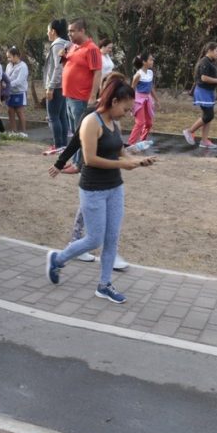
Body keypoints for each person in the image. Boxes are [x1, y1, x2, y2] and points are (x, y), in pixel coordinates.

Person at [45, 76, 155, 304]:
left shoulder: (115, 123)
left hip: (115, 187)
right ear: (114, 101)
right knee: (94, 239)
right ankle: (58, 259)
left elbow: (120, 152)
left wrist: (137, 161)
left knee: (112, 238)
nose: (127, 113)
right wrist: (123, 164)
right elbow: (90, 159)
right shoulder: (91, 122)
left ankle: (104, 285)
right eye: (125, 108)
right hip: (93, 189)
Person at [61, 19, 103, 169]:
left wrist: (92, 96)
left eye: (72, 31)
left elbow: (97, 72)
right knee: (73, 132)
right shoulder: (72, 47)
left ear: (82, 31)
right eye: (68, 31)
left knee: (80, 133)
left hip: (81, 98)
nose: (69, 34)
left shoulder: (91, 49)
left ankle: (78, 164)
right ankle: (74, 161)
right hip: (69, 96)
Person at [183, 42, 217, 149]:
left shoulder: (211, 61)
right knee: (208, 115)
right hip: (203, 91)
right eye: (216, 51)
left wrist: (214, 90)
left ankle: (204, 140)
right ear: (209, 50)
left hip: (209, 92)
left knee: (208, 117)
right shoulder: (204, 61)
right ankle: (189, 131)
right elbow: (204, 78)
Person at [43, 19, 71, 153]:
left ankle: (58, 145)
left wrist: (50, 87)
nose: (47, 33)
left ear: (53, 31)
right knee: (61, 116)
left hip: (56, 85)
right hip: (64, 85)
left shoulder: (57, 45)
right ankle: (63, 145)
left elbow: (57, 68)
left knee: (53, 116)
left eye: (47, 30)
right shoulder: (67, 43)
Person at [125, 51, 158, 146]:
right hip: (138, 100)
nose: (152, 61)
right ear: (144, 62)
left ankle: (142, 140)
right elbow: (132, 89)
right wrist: (130, 103)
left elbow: (151, 87)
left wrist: (156, 100)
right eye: (151, 60)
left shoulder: (150, 73)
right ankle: (130, 144)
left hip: (148, 99)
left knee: (149, 123)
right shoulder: (138, 75)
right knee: (140, 122)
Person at [5, 47, 29, 136]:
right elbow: (6, 77)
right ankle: (13, 131)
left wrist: (8, 85)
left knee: (19, 111)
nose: (8, 59)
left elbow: (20, 80)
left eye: (9, 57)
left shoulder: (23, 66)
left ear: (16, 56)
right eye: (7, 57)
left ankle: (23, 132)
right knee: (10, 111)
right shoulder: (9, 65)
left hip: (19, 92)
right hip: (10, 92)